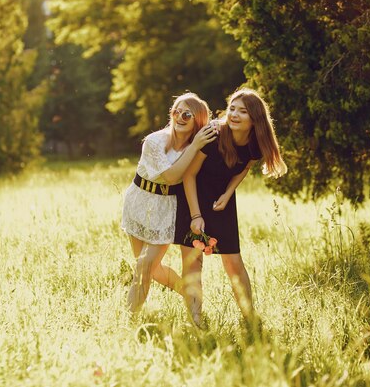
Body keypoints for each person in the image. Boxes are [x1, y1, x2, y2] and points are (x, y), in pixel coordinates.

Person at [176, 87, 287, 324]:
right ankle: (196, 321)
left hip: (221, 201)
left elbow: (244, 168)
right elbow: (188, 176)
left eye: (242, 111)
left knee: (233, 261)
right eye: (232, 109)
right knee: (194, 260)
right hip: (192, 196)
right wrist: (196, 216)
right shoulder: (213, 135)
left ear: (254, 119)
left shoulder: (254, 144)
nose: (234, 115)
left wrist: (228, 193)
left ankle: (250, 318)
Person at [123, 92, 218, 319]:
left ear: (198, 121)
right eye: (176, 111)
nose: (180, 117)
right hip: (139, 201)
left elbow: (182, 179)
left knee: (144, 266)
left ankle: (129, 318)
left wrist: (195, 146)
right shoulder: (155, 141)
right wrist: (194, 146)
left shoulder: (197, 148)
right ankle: (187, 292)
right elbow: (171, 175)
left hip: (166, 208)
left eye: (188, 114)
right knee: (150, 268)